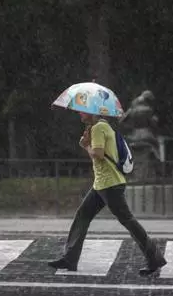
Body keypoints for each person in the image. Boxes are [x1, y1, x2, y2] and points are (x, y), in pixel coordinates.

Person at [48, 111, 167, 276]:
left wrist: (85, 145)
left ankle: (155, 259)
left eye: (83, 112)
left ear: (91, 113)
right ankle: (70, 259)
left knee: (128, 220)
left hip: (110, 184)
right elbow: (99, 158)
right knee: (83, 215)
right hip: (101, 184)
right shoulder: (103, 127)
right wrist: (89, 144)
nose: (80, 114)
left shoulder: (98, 127)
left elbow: (98, 154)